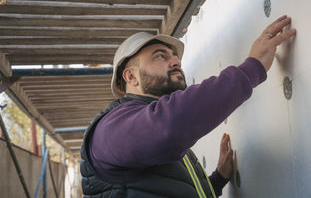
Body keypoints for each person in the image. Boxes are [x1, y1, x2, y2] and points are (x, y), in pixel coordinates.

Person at [80, 15, 296, 197]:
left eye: (175, 57)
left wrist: (218, 178)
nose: (175, 62)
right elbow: (168, 126)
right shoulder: (110, 128)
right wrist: (252, 67)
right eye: (160, 56)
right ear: (131, 76)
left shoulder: (150, 132)